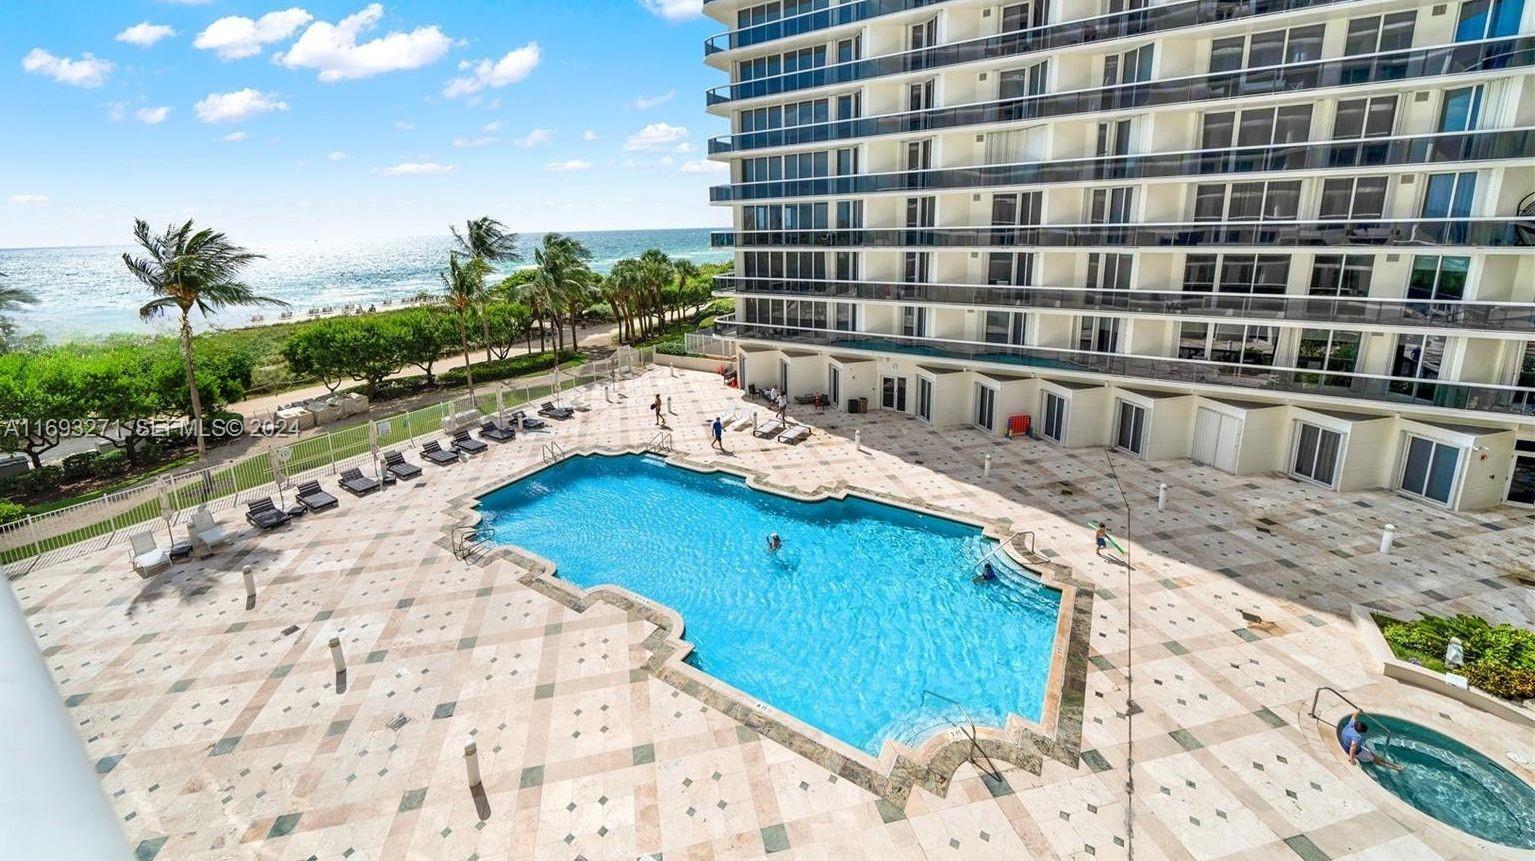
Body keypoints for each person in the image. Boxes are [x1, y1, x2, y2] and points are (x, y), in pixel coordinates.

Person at [1340, 711, 1405, 772]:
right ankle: (1396, 768)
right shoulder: (1357, 737)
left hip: (1351, 746)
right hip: (1356, 752)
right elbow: (1353, 746)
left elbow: (1353, 716)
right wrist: (1351, 758)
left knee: (1375, 756)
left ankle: (1395, 765)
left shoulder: (1351, 725)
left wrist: (1358, 711)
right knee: (1376, 761)